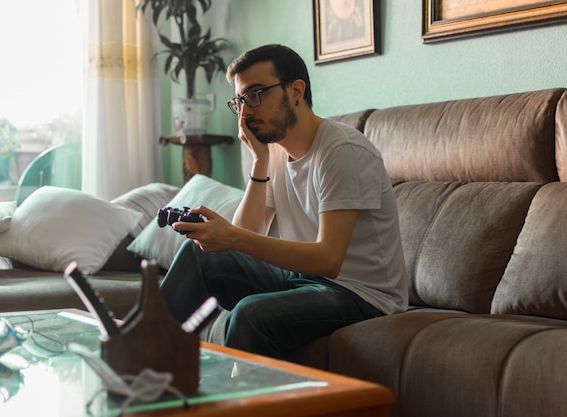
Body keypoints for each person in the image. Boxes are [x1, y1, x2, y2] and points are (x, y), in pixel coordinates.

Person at [159, 44, 407, 359]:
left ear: (295, 91)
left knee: (250, 314)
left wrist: (232, 235)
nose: (245, 112)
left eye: (254, 96)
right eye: (239, 101)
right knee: (199, 256)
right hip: (302, 280)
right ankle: (142, 355)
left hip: (362, 296)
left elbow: (328, 260)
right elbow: (240, 241)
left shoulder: (342, 152)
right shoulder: (273, 151)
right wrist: (260, 163)